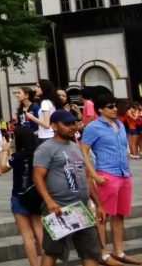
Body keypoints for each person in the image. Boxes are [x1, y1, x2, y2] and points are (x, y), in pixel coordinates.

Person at [32, 109, 106, 266]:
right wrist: (49, 201)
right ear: (54, 126)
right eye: (67, 124)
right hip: (58, 207)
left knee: (91, 251)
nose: (72, 127)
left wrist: (98, 204)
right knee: (52, 252)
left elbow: (86, 177)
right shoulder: (46, 148)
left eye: (74, 123)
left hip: (81, 208)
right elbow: (37, 177)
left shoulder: (76, 147)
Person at [81, 93, 140, 266]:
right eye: (110, 106)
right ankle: (103, 252)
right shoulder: (93, 127)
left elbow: (124, 148)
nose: (115, 109)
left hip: (124, 174)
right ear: (100, 109)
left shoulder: (120, 125)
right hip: (107, 174)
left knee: (120, 214)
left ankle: (119, 251)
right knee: (103, 215)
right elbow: (83, 151)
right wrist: (93, 174)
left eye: (115, 106)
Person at [0, 126, 43, 266]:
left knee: (27, 235)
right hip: (36, 195)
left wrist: (4, 150)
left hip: (19, 196)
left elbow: (2, 168)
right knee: (39, 232)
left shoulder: (16, 156)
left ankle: (34, 264)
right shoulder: (38, 155)